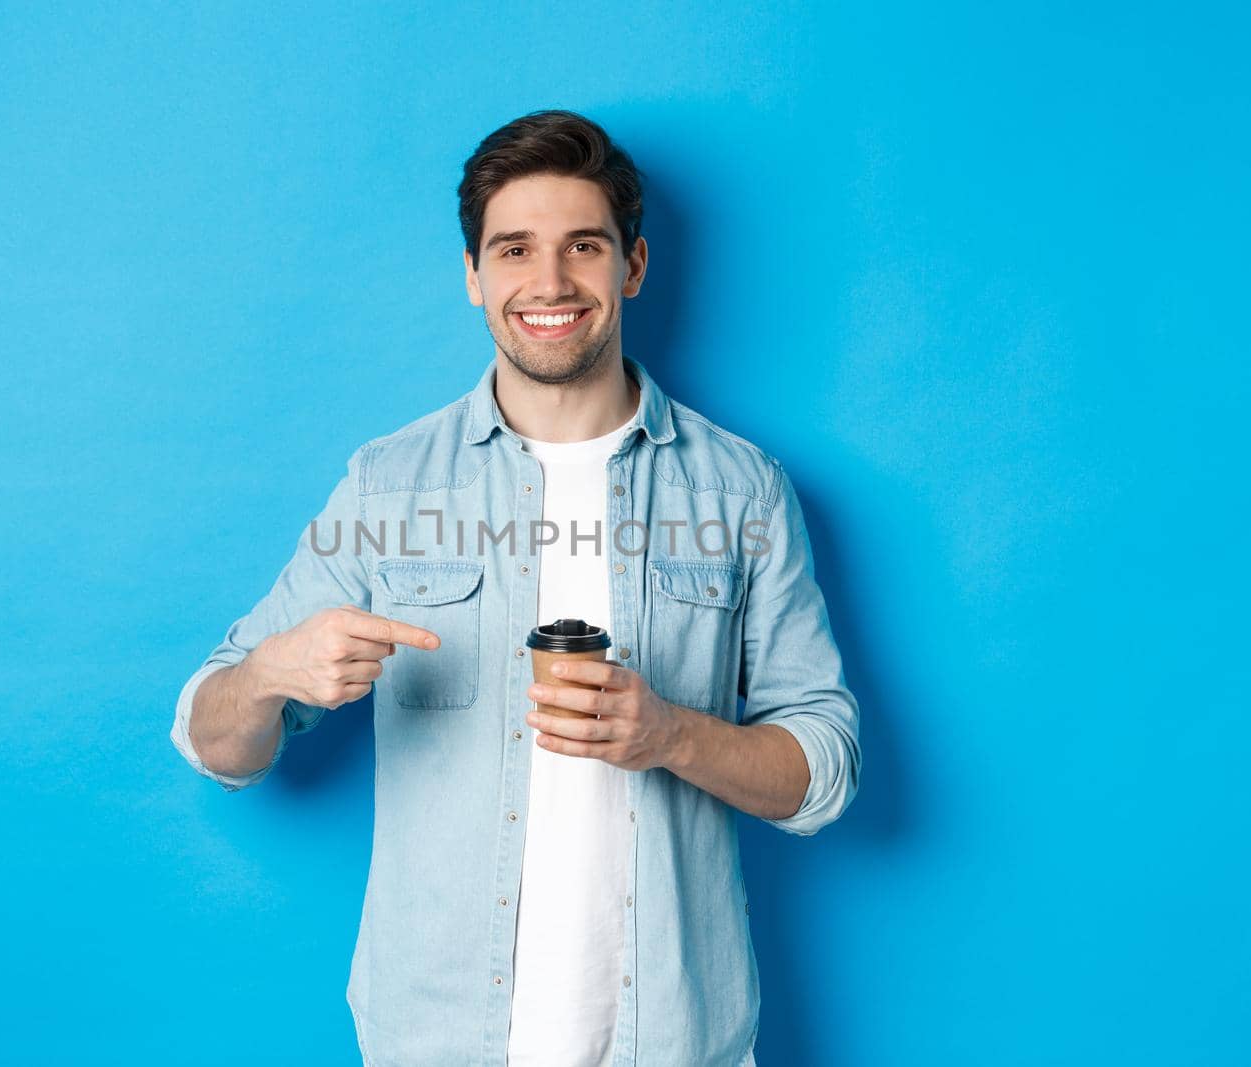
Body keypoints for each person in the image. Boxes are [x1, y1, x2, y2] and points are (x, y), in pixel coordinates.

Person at [170, 109, 861, 1067]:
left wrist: (670, 733)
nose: (548, 283)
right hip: (436, 1039)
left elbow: (824, 771)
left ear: (634, 266)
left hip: (675, 1041)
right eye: (513, 250)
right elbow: (213, 744)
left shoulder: (742, 490)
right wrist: (269, 674)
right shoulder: (389, 484)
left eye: (584, 246)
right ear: (472, 277)